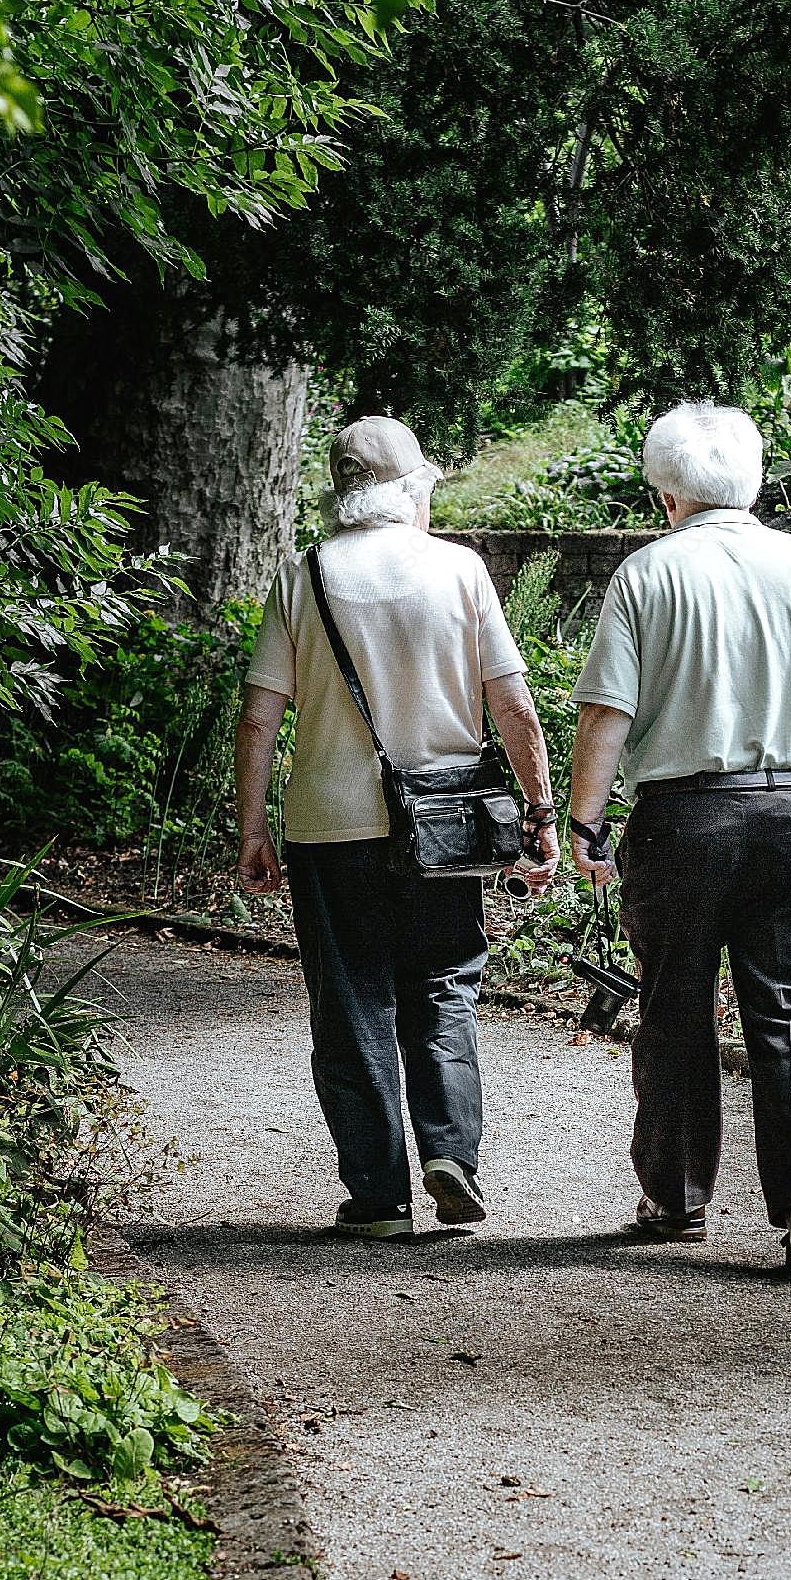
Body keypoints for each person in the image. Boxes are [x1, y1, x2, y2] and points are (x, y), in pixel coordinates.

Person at [568, 401, 791, 1276]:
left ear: (666, 492)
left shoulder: (646, 574)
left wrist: (586, 821)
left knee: (674, 1003)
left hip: (683, 820)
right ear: (753, 482)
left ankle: (676, 1198)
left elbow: (608, 713)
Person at [235, 414, 559, 1239]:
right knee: (445, 984)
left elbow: (258, 718)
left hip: (329, 827)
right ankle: (451, 1153)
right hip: (446, 828)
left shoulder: (302, 575)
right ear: (412, 487)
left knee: (350, 1003)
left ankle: (378, 1196)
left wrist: (252, 830)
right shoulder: (460, 569)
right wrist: (540, 811)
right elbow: (513, 705)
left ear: (343, 492)